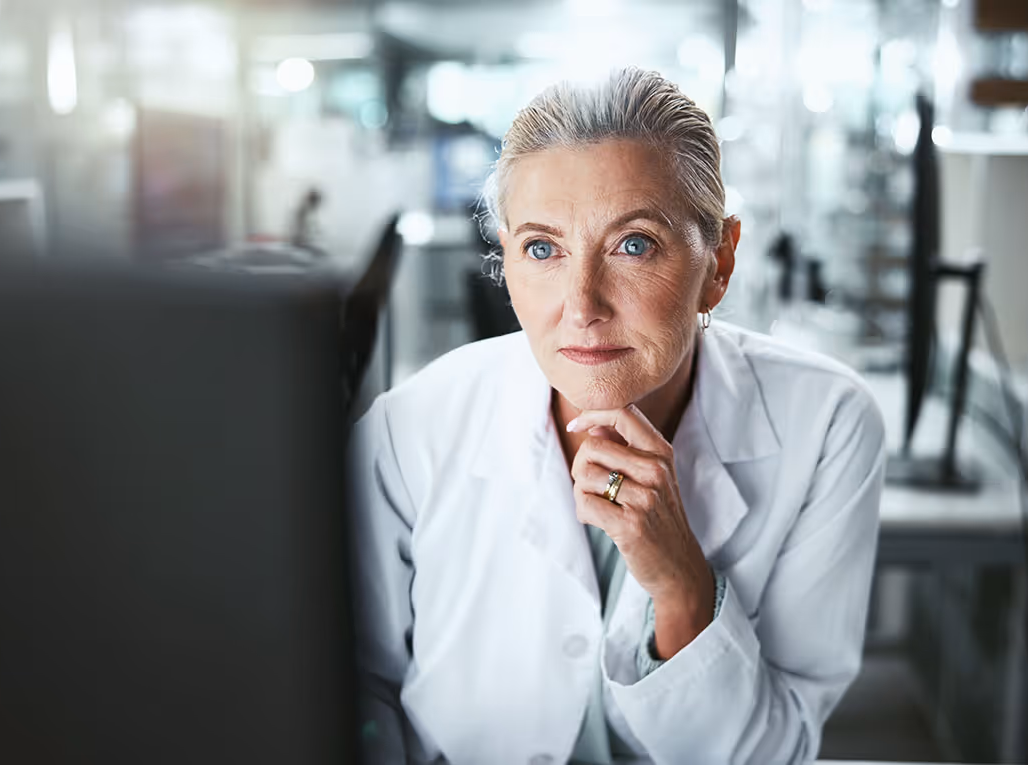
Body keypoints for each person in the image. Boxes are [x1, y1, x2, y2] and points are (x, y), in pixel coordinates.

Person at [348, 67, 886, 765]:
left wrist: (681, 584)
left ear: (719, 262)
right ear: (507, 258)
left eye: (634, 244)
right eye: (543, 249)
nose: (582, 305)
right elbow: (355, 689)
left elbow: (776, 750)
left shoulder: (828, 426)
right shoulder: (409, 429)